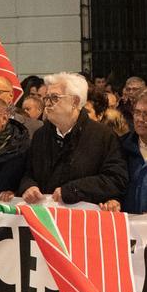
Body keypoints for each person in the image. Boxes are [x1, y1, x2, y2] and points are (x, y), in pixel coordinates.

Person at [15, 73, 126, 206]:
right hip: (46, 217)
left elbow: (115, 179)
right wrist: (29, 186)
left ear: (75, 102)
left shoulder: (103, 136)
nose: (48, 104)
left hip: (83, 219)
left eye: (55, 98)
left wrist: (73, 190)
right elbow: (28, 173)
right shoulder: (40, 135)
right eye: (46, 98)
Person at [100, 88, 147, 214]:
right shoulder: (120, 146)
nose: (140, 119)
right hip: (127, 225)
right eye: (137, 112)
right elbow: (112, 184)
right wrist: (114, 200)